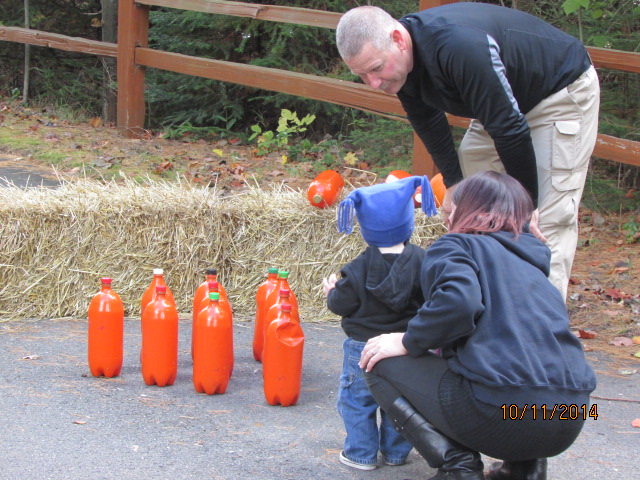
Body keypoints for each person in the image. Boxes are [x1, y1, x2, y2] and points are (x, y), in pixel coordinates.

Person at [335, 3, 600, 301]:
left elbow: (509, 129)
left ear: (398, 39)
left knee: (544, 220)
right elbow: (428, 119)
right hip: (502, 104)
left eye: (376, 68)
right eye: (362, 76)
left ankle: (538, 328)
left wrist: (526, 205)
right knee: (471, 198)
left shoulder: (458, 45)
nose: (374, 83)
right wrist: (454, 182)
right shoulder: (400, 69)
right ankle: (487, 305)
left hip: (557, 93)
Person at [357, 171, 597, 480]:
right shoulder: (533, 260)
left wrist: (406, 341)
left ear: (466, 210)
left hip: (505, 411)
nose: (446, 220)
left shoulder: (457, 245)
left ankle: (459, 468)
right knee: (520, 370)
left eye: (449, 211)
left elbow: (459, 303)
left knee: (376, 358)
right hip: (573, 414)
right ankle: (525, 469)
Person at [322, 175, 438, 470]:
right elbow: (432, 299)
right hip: (404, 346)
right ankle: (397, 453)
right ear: (407, 220)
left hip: (363, 347)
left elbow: (341, 305)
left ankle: (361, 454)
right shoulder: (424, 261)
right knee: (402, 401)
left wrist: (332, 293)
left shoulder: (356, 269)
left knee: (356, 401)